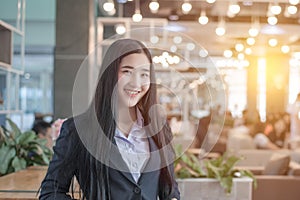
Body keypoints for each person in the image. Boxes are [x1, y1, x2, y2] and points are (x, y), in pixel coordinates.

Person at [39, 39, 180, 199]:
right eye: (127, 71)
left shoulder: (159, 127)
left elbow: (170, 189)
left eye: (144, 74)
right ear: (110, 73)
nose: (136, 83)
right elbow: (51, 192)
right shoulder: (77, 130)